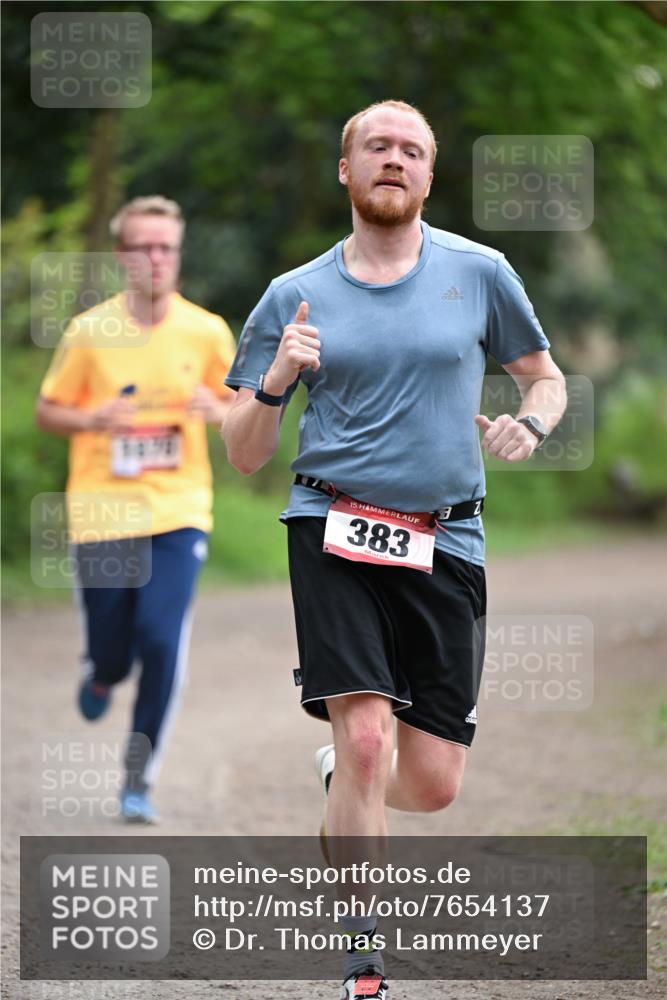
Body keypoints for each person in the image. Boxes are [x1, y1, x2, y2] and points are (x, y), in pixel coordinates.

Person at [223, 100, 567, 998]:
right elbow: (246, 452)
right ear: (346, 169)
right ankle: (363, 959)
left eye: (411, 150)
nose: (393, 160)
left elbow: (545, 376)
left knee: (432, 781)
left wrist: (531, 424)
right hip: (331, 525)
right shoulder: (291, 295)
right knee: (370, 737)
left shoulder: (480, 271)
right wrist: (276, 379)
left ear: (427, 173)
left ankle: (342, 780)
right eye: (375, 146)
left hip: (446, 534)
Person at [36, 196, 235, 823]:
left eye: (166, 248)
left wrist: (220, 411)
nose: (156, 259)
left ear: (178, 254)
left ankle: (137, 779)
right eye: (143, 248)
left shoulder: (207, 331)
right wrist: (93, 417)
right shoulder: (90, 332)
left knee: (161, 637)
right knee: (116, 648)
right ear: (122, 256)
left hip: (179, 510)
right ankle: (100, 673)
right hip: (101, 510)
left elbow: (248, 413)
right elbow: (48, 411)